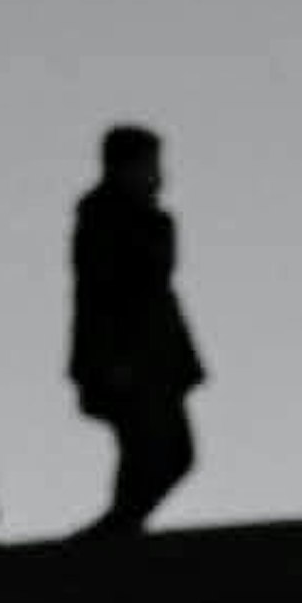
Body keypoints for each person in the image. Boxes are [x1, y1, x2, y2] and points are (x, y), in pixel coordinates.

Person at [68, 122, 204, 537]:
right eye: (151, 164)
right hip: (127, 358)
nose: (159, 174)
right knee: (148, 452)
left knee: (174, 453)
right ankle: (115, 538)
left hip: (158, 356)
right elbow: (103, 292)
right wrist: (112, 359)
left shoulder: (147, 218)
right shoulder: (103, 218)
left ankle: (118, 530)